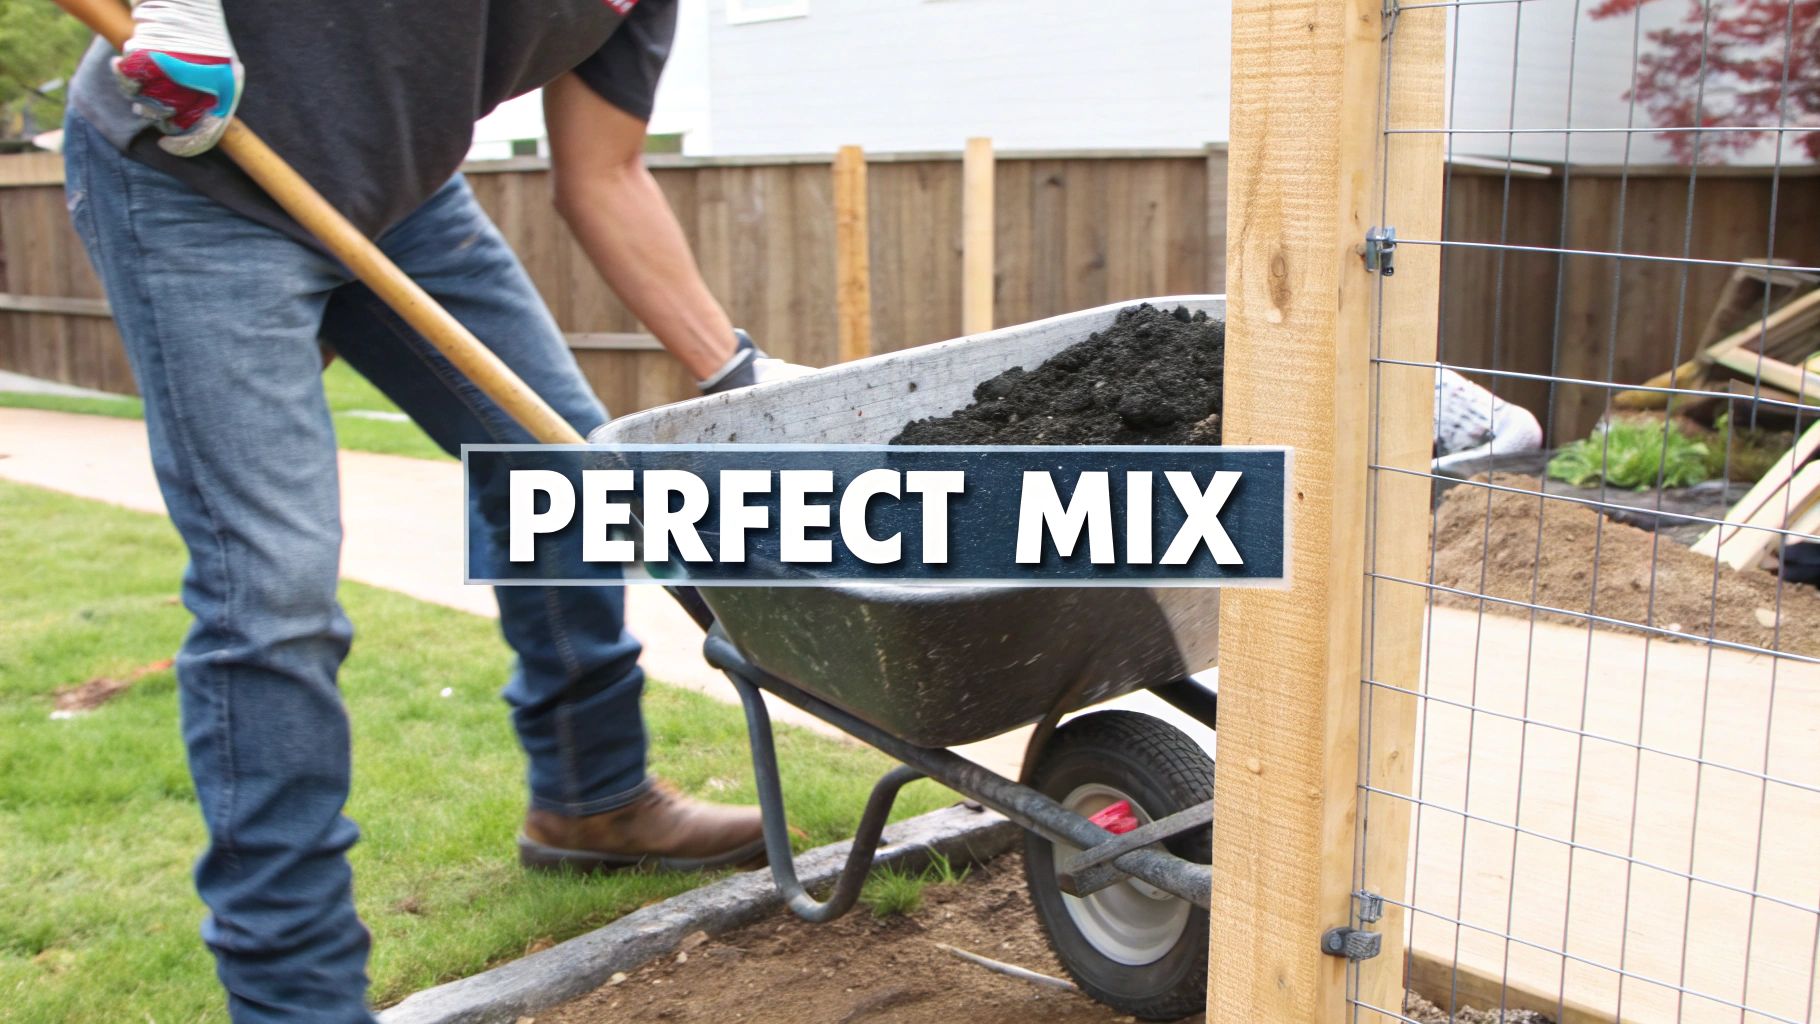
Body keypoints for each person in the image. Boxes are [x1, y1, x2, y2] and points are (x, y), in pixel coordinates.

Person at [57, 1, 802, 1019]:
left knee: (566, 479)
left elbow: (606, 175)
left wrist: (738, 375)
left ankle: (592, 800)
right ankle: (294, 996)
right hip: (194, 173)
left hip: (401, 199)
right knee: (271, 587)